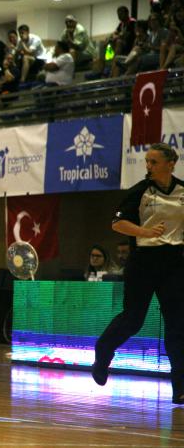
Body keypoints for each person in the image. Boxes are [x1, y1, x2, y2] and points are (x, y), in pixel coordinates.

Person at [92, 143, 184, 406]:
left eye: (154, 162)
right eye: (147, 162)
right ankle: (103, 352)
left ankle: (180, 387)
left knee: (178, 325)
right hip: (144, 261)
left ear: (170, 163)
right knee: (133, 320)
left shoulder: (181, 191)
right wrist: (145, 232)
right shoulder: (140, 191)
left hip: (174, 262)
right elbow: (117, 222)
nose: (149, 167)